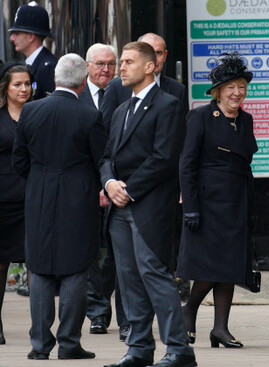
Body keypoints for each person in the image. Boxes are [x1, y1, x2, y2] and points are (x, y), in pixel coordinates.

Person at [100, 41, 196, 367]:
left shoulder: (168, 105)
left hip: (149, 207)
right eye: (121, 61)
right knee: (128, 281)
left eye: (128, 62)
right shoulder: (120, 110)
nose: (121, 67)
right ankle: (139, 348)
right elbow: (107, 157)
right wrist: (110, 183)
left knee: (155, 276)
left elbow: (165, 158)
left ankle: (179, 349)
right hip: (119, 210)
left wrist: (129, 189)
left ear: (150, 66)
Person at [12, 54, 106, 360]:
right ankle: (69, 343)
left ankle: (39, 345)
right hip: (78, 198)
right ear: (82, 82)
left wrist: (41, 179)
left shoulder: (31, 111)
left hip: (38, 195)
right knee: (76, 268)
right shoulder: (89, 115)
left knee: (38, 267)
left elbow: (19, 161)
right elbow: (99, 159)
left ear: (55, 80)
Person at [178, 52, 258, 349]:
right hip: (208, 201)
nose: (237, 93)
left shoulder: (246, 119)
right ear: (217, 92)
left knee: (231, 266)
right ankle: (189, 310)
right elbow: (187, 164)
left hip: (237, 201)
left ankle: (221, 328)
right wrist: (192, 208)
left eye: (241, 86)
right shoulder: (200, 116)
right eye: (230, 88)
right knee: (209, 266)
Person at [81, 43, 131, 341]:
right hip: (84, 186)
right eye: (100, 64)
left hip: (116, 185)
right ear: (87, 65)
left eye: (111, 64)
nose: (106, 70)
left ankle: (115, 306)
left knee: (114, 253)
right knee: (88, 253)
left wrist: (109, 182)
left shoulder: (123, 92)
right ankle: (97, 312)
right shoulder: (75, 94)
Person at [0, 62, 33, 345]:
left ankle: (40, 326)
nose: (24, 89)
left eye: (27, 84)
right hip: (2, 200)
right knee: (0, 264)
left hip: (33, 198)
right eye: (17, 84)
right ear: (6, 88)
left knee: (37, 264)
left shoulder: (38, 113)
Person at [9, 2, 57, 100]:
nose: (12, 38)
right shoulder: (30, 63)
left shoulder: (48, 67)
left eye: (17, 33)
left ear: (31, 36)